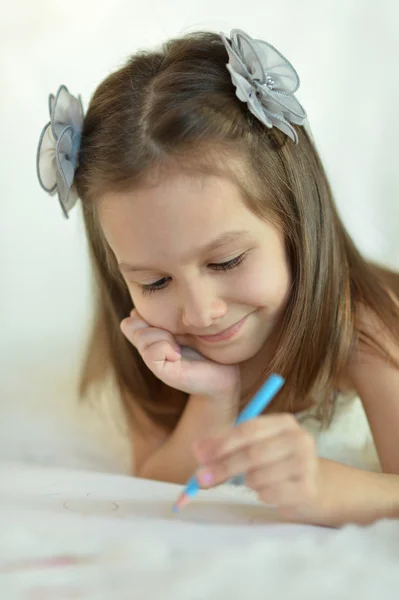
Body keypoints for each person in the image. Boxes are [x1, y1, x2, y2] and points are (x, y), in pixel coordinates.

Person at [36, 28, 399, 526]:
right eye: (155, 283)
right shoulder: (148, 334)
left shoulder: (365, 328)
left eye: (226, 262)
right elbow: (152, 479)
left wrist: (333, 488)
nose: (200, 312)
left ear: (296, 227)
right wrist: (213, 396)